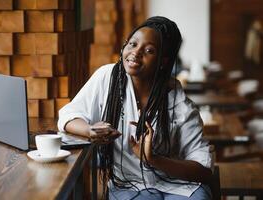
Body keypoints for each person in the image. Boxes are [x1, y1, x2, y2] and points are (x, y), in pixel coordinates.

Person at [58, 16, 213, 200]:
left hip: (180, 186)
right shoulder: (108, 78)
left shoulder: (179, 105)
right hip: (129, 184)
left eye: (149, 50)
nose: (136, 53)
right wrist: (89, 130)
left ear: (163, 61)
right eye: (132, 44)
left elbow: (203, 171)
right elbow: (67, 116)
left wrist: (154, 160)